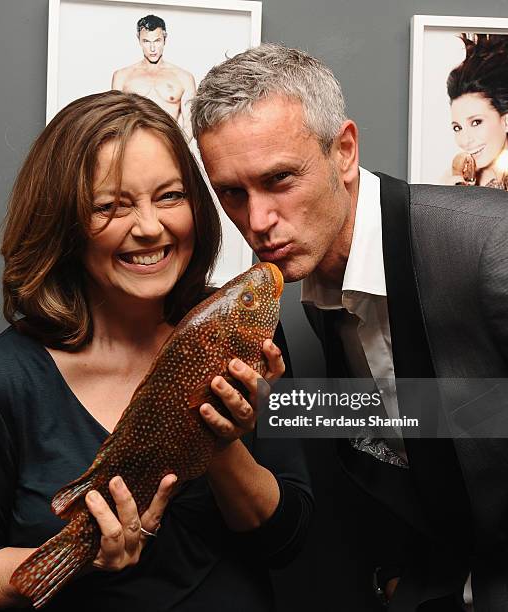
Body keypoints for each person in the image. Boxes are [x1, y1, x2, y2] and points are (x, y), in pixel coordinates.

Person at [0, 90, 312, 610]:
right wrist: (68, 562)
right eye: (110, 206)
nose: (149, 228)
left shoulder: (238, 335)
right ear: (64, 223)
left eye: (170, 196)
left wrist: (217, 443)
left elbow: (287, 544)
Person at [191, 43, 508, 611]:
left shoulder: (491, 243)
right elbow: (426, 415)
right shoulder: (319, 285)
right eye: (233, 194)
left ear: (343, 151)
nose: (258, 222)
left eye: (280, 179)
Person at [112, 15, 196, 141]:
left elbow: (189, 124)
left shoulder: (184, 78)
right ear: (139, 40)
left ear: (164, 39)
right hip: (133, 145)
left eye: (157, 41)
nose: (152, 49)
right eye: (146, 41)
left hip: (169, 144)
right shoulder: (122, 76)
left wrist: (175, 150)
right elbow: (115, 119)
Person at [445, 34, 508, 189]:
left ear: (506, 121)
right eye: (457, 127)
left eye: (476, 122)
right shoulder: (454, 178)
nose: (465, 141)